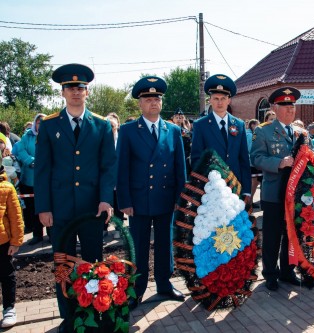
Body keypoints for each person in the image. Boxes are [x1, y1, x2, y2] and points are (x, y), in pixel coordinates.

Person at [34, 63, 116, 332]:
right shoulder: (49, 126)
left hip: (92, 209)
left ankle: (93, 311)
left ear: (87, 92)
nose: (76, 92)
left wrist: (106, 199)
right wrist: (43, 207)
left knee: (93, 262)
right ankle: (68, 315)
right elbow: (43, 169)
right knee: (63, 264)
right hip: (60, 210)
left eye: (80, 88)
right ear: (63, 93)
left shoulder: (102, 125)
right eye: (70, 88)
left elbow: (107, 167)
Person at [116, 76, 186, 309]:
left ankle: (165, 284)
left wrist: (180, 198)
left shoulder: (173, 130)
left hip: (166, 198)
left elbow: (179, 167)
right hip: (138, 200)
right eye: (148, 99)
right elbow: (122, 168)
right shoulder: (128, 131)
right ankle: (136, 289)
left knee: (165, 243)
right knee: (139, 245)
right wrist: (124, 200)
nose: (153, 102)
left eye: (157, 98)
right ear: (139, 103)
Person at [250, 86, 303, 291]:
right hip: (274, 192)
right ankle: (270, 273)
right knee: (272, 235)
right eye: (285, 105)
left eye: (292, 106)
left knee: (291, 233)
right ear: (275, 107)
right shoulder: (263, 131)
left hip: (295, 194)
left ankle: (287, 271)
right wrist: (280, 163)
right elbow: (256, 158)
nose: (290, 110)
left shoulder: (299, 132)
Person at [191, 74, 251, 201]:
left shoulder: (239, 124)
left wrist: (246, 191)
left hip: (235, 187)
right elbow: (197, 159)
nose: (220, 102)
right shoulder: (200, 125)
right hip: (210, 188)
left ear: (229, 100)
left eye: (223, 98)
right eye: (216, 98)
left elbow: (244, 159)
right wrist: (203, 186)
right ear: (210, 100)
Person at [15, 113, 48, 245]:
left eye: (44, 122)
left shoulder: (53, 135)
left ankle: (52, 234)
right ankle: (37, 234)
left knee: (50, 207)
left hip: (48, 179)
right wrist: (32, 161)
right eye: (39, 122)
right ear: (35, 123)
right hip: (30, 179)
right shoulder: (27, 136)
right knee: (34, 208)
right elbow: (21, 151)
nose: (41, 124)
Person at [0, 155, 24, 329]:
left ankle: (9, 308)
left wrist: (16, 242)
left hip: (3, 242)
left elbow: (16, 218)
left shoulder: (6, 188)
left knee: (6, 275)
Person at [246, 119, 261, 208]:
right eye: (257, 125)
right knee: (253, 182)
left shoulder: (253, 134)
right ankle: (248, 202)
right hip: (251, 162)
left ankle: (250, 201)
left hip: (253, 161)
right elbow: (251, 148)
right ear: (252, 125)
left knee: (255, 183)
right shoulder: (249, 135)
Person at [172, 108, 192, 175]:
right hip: (172, 157)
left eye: (180, 118)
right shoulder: (169, 131)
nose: (178, 119)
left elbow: (189, 147)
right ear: (173, 119)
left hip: (184, 158)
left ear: (183, 119)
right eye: (177, 117)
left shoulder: (186, 132)